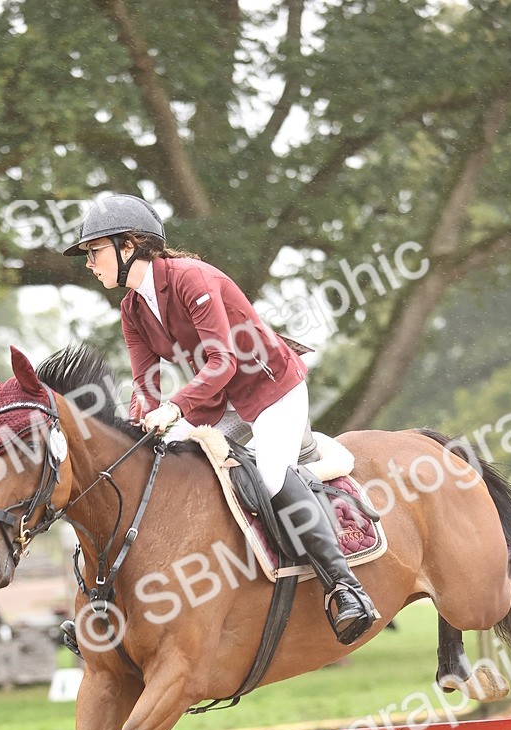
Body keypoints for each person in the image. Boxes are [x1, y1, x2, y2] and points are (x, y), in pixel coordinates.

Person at [63, 194, 377, 645]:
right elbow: (144, 383)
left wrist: (174, 408)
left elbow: (223, 360)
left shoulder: (192, 279)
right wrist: (137, 423)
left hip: (272, 391)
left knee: (270, 475)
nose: (90, 263)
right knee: (163, 470)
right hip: (220, 405)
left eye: (94, 252)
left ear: (128, 245)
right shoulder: (132, 308)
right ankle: (111, 601)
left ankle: (345, 587)